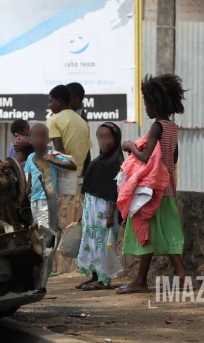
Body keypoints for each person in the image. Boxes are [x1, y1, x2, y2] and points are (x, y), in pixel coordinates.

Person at [116, 74, 187, 295]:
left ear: (155, 103)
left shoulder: (157, 127)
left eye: (146, 103)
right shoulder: (172, 127)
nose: (145, 108)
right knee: (165, 229)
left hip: (152, 189)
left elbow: (147, 157)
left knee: (145, 227)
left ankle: (148, 279)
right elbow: (173, 158)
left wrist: (130, 146)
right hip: (167, 187)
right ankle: (164, 277)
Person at [47, 85, 93, 273]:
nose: (49, 105)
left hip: (63, 178)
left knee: (60, 225)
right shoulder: (82, 122)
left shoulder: (54, 120)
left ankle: (62, 270)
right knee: (75, 227)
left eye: (51, 101)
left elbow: (60, 152)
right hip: (81, 180)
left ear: (59, 101)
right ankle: (78, 268)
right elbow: (88, 155)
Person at [76, 122, 124, 290]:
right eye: (100, 137)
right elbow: (90, 188)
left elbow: (115, 191)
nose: (103, 141)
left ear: (116, 139)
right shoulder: (100, 159)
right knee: (91, 242)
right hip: (92, 209)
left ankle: (104, 279)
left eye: (107, 137)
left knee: (103, 244)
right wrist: (84, 212)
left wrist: (111, 214)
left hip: (105, 211)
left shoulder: (116, 162)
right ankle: (94, 276)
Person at [21, 124, 76, 228]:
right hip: (34, 200)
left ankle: (48, 244)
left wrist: (54, 161)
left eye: (42, 136)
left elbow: (72, 165)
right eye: (36, 137)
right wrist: (24, 195)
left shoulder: (52, 154)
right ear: (30, 140)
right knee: (36, 227)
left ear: (48, 139)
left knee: (46, 228)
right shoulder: (30, 158)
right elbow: (29, 180)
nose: (39, 140)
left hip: (47, 199)